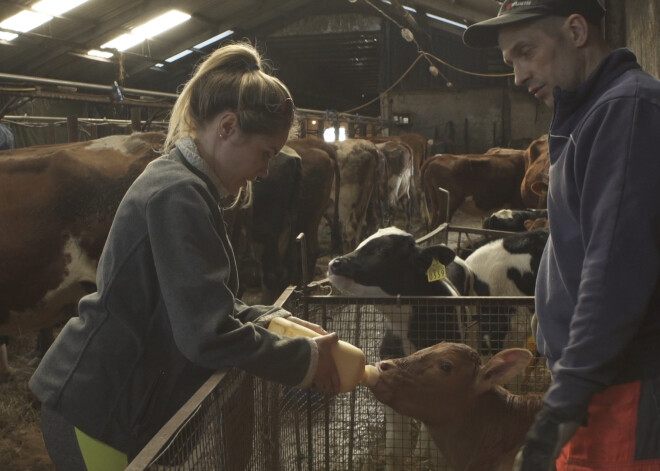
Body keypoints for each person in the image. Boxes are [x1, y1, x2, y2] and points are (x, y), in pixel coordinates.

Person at [28, 41, 341, 471]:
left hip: (121, 399)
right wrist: (304, 362)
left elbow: (208, 301)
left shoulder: (189, 184)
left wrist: (272, 322)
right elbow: (206, 334)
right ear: (227, 127)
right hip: (99, 408)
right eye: (265, 153)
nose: (266, 170)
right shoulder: (179, 194)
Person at [464, 1, 660, 470]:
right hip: (597, 379)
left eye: (526, 52)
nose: (518, 75)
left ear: (575, 31)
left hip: (621, 386)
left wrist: (564, 401)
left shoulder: (626, 109)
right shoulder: (587, 113)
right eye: (511, 61)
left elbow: (614, 265)